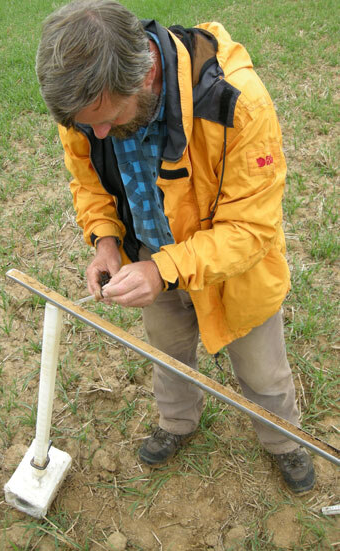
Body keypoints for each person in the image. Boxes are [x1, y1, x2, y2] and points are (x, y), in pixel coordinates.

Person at [36, 0, 315, 493]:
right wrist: (106, 240)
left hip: (233, 271)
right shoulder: (87, 106)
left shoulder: (236, 100)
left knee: (261, 369)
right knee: (168, 354)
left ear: (143, 76)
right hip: (149, 258)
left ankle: (285, 442)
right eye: (85, 124)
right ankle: (177, 422)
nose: (95, 132)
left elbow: (252, 229)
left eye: (105, 118)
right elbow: (88, 179)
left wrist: (166, 268)